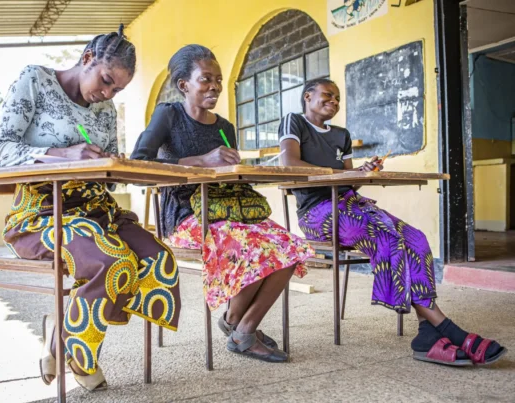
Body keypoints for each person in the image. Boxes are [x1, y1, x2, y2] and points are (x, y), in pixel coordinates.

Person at [0, 26, 181, 391]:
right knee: (113, 261)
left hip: (97, 207)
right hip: (44, 211)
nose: (107, 94)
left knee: (157, 257)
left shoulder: (105, 109)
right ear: (88, 58)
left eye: (117, 90)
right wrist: (62, 155)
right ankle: (78, 353)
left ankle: (63, 334)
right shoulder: (36, 80)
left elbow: (105, 177)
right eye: (106, 81)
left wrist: (114, 164)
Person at [278, 77, 507, 366]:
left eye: (337, 98)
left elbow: (351, 183)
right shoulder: (294, 122)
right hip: (317, 213)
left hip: (351, 205)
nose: (334, 102)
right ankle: (443, 327)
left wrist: (363, 171)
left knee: (416, 238)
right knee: (387, 238)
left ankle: (427, 332)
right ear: (308, 96)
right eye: (327, 95)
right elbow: (288, 164)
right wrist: (344, 175)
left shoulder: (341, 134)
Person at [131, 45, 315, 363]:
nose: (214, 86)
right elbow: (139, 164)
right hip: (186, 216)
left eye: (218, 79)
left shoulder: (225, 128)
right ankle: (242, 333)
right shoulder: (168, 115)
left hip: (228, 210)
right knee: (254, 247)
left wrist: (241, 172)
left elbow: (229, 176)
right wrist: (202, 161)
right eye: (205, 79)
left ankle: (240, 326)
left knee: (290, 246)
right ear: (183, 85)